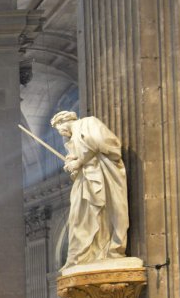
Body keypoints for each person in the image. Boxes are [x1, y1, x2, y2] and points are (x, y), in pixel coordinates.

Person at [51, 110, 129, 268]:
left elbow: (101, 143)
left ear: (64, 121)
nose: (60, 133)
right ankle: (83, 255)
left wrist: (79, 161)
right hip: (86, 180)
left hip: (101, 175)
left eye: (59, 128)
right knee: (78, 217)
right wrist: (73, 163)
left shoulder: (87, 123)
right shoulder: (72, 138)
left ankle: (106, 250)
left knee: (105, 212)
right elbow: (81, 155)